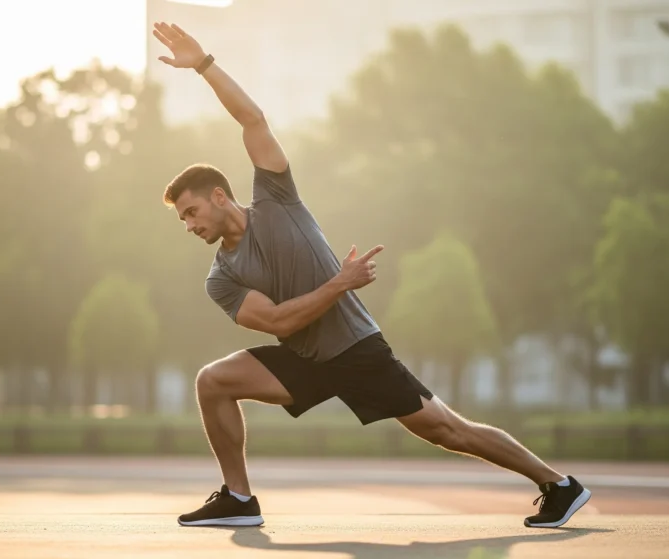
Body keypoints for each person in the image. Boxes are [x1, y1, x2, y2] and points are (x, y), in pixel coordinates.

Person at [151, 21, 591, 529]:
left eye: (190, 212)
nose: (188, 225)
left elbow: (251, 119)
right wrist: (339, 282)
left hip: (356, 349)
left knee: (449, 430)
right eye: (182, 219)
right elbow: (279, 321)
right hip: (305, 359)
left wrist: (204, 65)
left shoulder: (276, 198)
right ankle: (239, 498)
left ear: (220, 196)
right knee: (213, 381)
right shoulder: (220, 278)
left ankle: (559, 485)